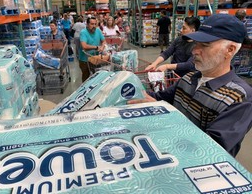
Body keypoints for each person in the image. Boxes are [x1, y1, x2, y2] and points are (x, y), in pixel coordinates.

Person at [129, 14, 252, 157]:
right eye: (196, 43)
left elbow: (211, 147)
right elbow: (158, 98)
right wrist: (128, 88)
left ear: (229, 50)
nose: (194, 50)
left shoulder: (240, 97)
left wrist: (166, 114)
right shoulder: (188, 79)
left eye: (204, 45)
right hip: (171, 153)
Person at [79, 17, 106, 82]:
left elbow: (103, 41)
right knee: (86, 78)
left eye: (95, 24)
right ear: (87, 24)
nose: (94, 26)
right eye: (92, 24)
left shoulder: (98, 31)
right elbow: (84, 46)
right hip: (85, 60)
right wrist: (96, 47)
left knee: (97, 77)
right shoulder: (83, 32)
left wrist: (102, 47)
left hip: (95, 58)